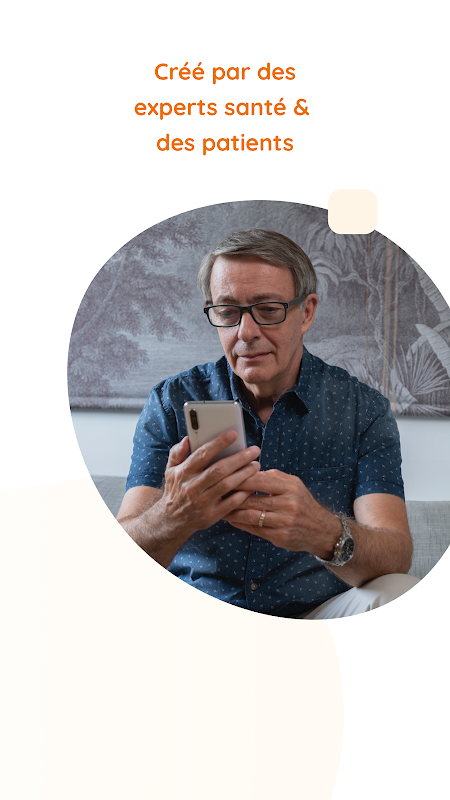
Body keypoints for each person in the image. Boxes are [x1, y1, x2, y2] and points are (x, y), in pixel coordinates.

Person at [117, 228, 419, 618]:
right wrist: (174, 513)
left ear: (306, 312)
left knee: (398, 591)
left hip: (315, 616)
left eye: (269, 309)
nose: (245, 333)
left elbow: (395, 555)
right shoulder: (171, 402)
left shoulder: (363, 409)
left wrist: (323, 531)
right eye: (228, 312)